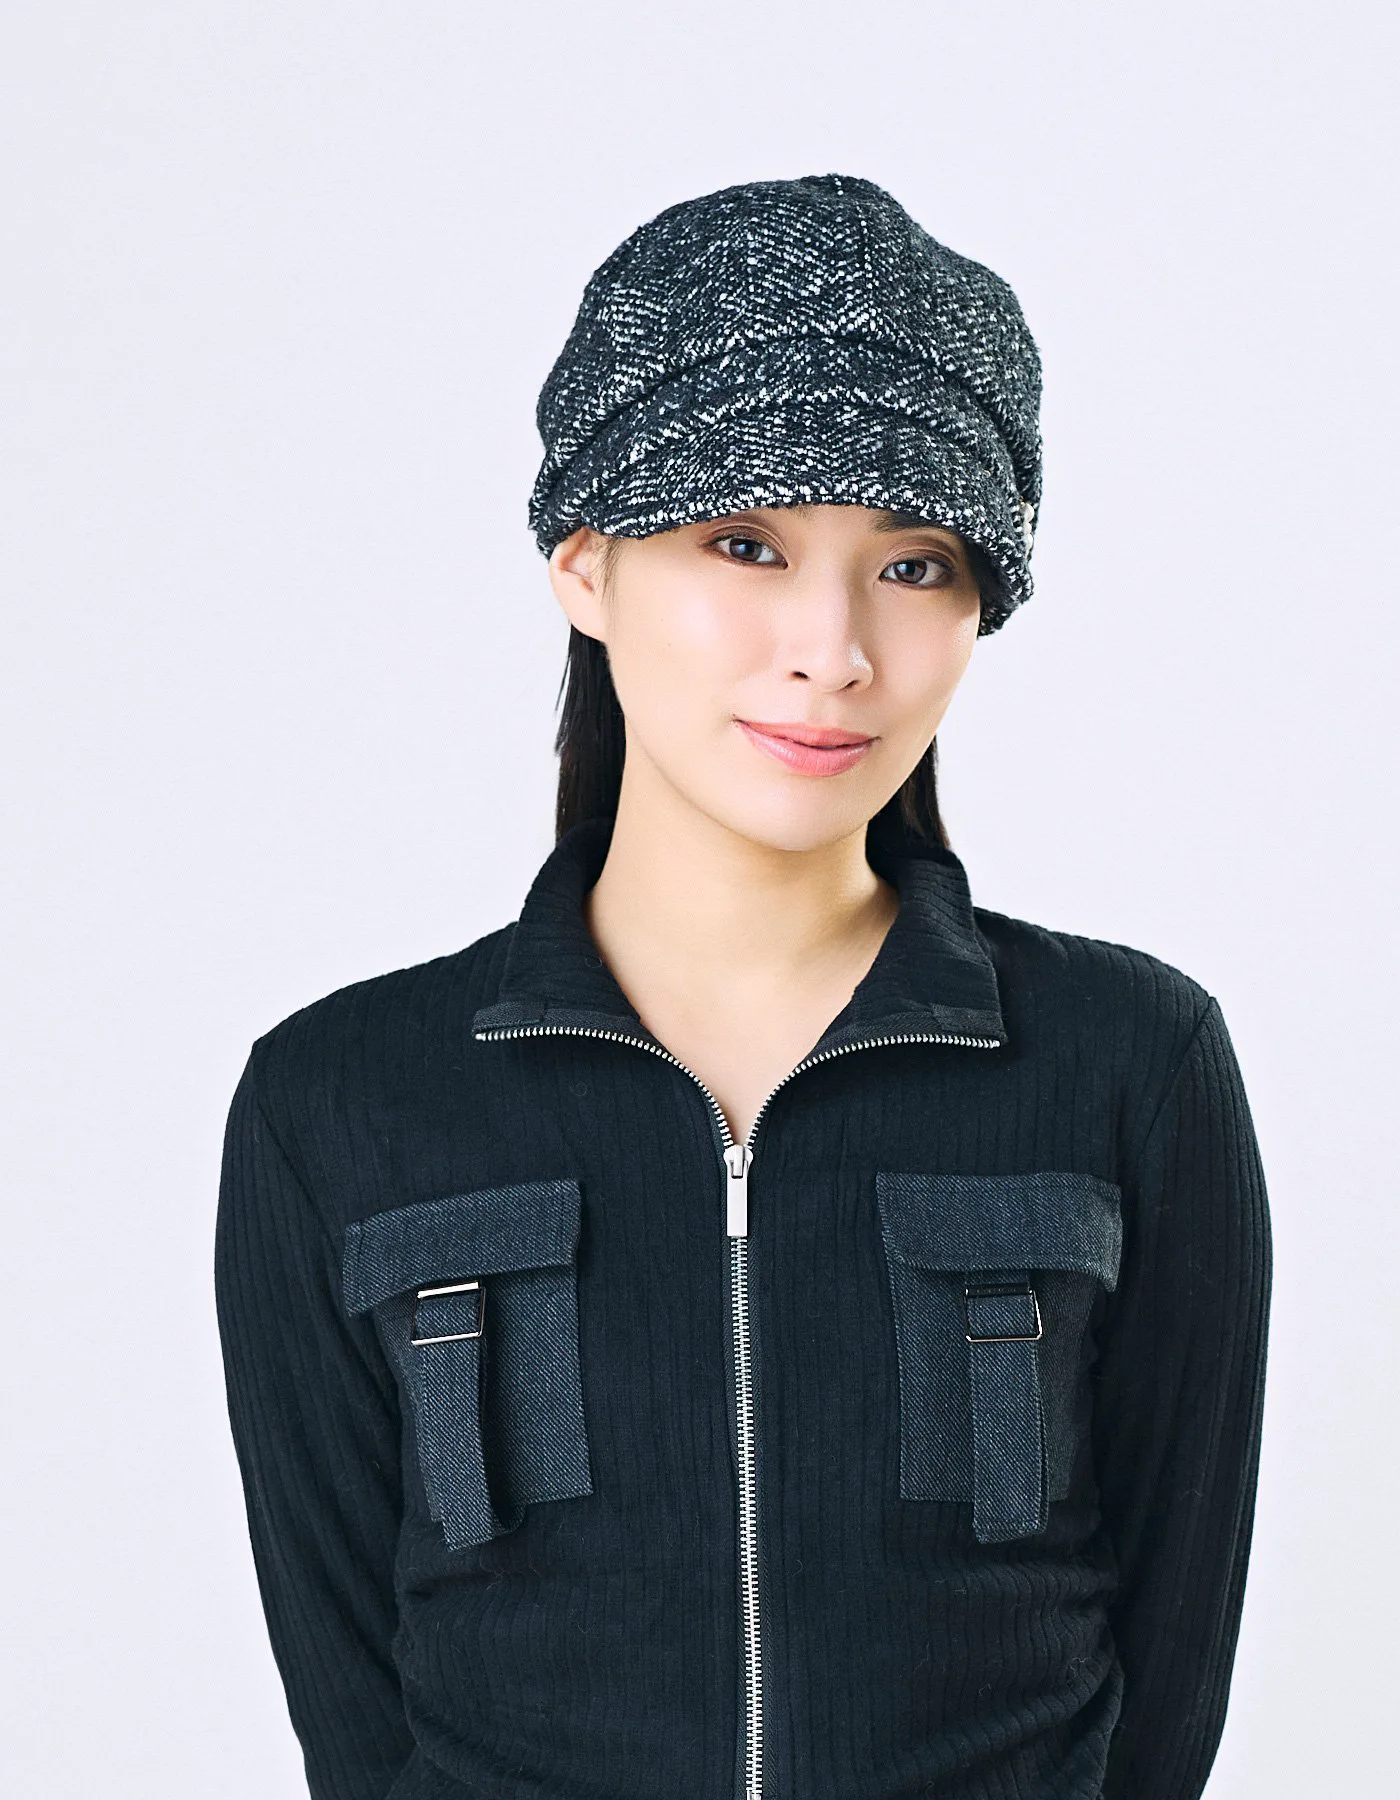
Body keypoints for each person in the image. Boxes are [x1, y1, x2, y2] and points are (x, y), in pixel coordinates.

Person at [214, 172, 1272, 1800]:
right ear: (585, 566)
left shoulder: (1130, 1064)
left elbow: (1165, 1688)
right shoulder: (340, 1100)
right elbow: (358, 1715)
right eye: (746, 542)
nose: (832, 648)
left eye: (915, 564)